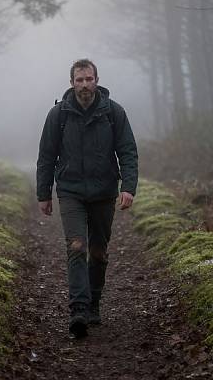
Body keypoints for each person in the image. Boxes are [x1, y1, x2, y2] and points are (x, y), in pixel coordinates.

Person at [36, 59, 138, 338]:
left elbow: (127, 151)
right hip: (70, 192)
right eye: (79, 80)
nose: (84, 85)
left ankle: (94, 303)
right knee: (77, 246)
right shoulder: (58, 115)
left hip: (104, 192)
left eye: (88, 79)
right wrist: (43, 193)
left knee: (98, 252)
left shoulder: (113, 113)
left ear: (96, 80)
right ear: (71, 83)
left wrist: (129, 187)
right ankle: (78, 310)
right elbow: (46, 156)